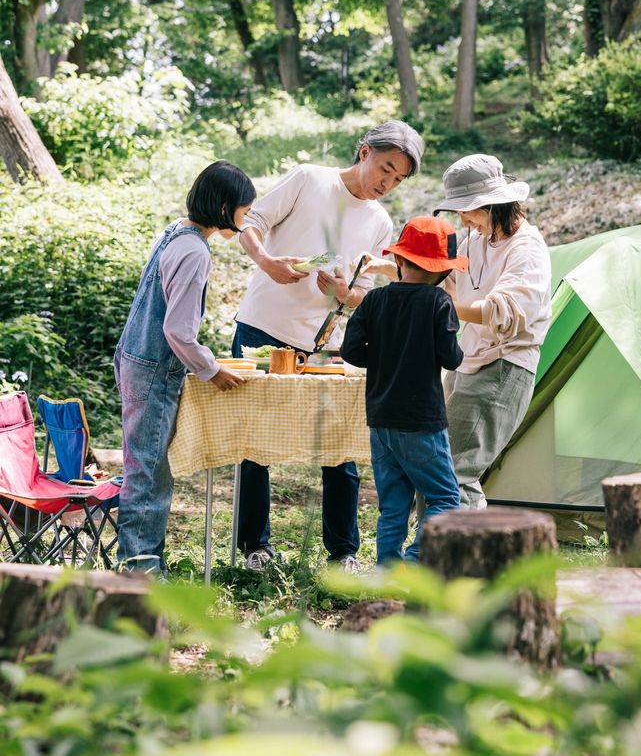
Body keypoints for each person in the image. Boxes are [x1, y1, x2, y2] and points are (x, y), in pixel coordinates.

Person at [232, 120, 425, 573]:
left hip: (326, 343)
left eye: (398, 179)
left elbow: (364, 296)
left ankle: (343, 553)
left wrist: (346, 294)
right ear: (364, 152)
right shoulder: (309, 179)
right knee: (254, 442)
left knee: (339, 448)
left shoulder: (379, 222)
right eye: (385, 168)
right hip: (263, 328)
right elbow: (250, 223)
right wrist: (267, 262)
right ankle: (254, 548)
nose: (387, 183)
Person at [114, 161, 256, 573]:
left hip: (135, 356)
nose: (245, 223)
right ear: (225, 206)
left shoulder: (176, 231)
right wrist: (212, 369)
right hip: (154, 367)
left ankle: (141, 559)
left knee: (143, 463)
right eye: (244, 213)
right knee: (149, 471)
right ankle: (140, 568)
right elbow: (178, 330)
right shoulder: (194, 250)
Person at [341, 216, 466, 564]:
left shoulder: (374, 300)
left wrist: (382, 359)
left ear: (399, 260)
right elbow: (451, 358)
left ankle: (386, 569)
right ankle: (413, 562)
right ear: (443, 271)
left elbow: (351, 351)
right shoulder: (440, 303)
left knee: (393, 503)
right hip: (422, 420)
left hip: (380, 418)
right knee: (445, 498)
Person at [433, 153, 551, 509]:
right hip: (469, 359)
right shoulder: (477, 241)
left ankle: (460, 560)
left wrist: (439, 307)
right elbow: (438, 275)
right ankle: (433, 553)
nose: (462, 218)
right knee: (439, 468)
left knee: (454, 471)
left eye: (467, 209)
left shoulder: (526, 249)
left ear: (492, 205)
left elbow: (506, 311)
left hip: (502, 365)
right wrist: (389, 270)